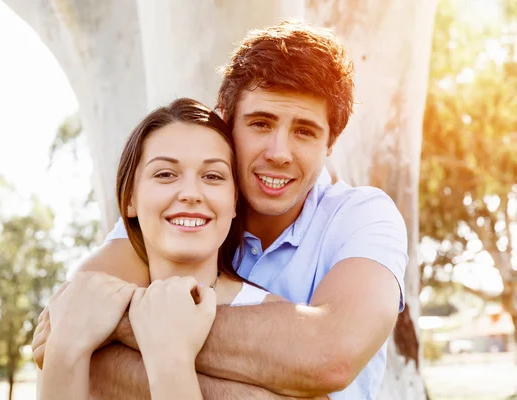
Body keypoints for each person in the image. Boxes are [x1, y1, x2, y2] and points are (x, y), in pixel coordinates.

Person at [35, 21, 407, 399]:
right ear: (226, 119)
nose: (279, 153)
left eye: (305, 131)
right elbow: (63, 331)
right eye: (260, 123)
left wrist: (131, 326)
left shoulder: (363, 216)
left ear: (331, 142)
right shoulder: (180, 212)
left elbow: (331, 356)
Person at [35, 98, 308, 399]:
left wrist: (170, 360)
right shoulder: (81, 310)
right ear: (130, 200)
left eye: (212, 176)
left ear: (233, 202)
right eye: (165, 174)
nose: (190, 193)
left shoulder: (280, 324)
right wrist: (65, 349)